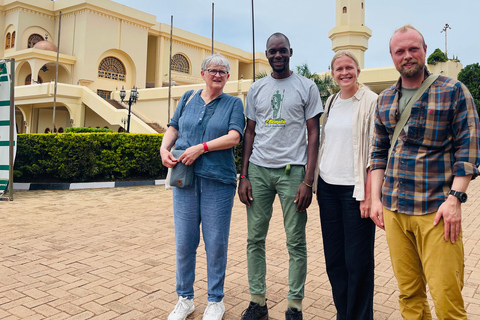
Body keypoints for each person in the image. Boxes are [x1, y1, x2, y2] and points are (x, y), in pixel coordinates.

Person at [370, 25, 479, 319]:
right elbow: (378, 152)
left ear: (425, 50)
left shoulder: (453, 91)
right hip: (394, 209)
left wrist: (455, 199)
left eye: (413, 48)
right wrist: (376, 199)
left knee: (446, 298)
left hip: (436, 211)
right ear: (392, 56)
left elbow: (468, 151)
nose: (407, 56)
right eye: (400, 51)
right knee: (409, 294)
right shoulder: (384, 99)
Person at [238, 32, 323, 320]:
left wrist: (307, 181)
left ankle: (294, 306)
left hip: (293, 172)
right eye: (272, 51)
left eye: (282, 51)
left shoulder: (306, 86)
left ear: (290, 52)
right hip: (259, 171)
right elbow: (250, 131)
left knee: (296, 241)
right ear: (266, 54)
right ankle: (257, 302)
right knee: (254, 239)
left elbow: (314, 134)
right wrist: (244, 174)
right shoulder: (256, 89)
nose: (277, 56)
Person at [160, 53, 245, 320]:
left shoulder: (233, 103)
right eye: (212, 70)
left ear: (228, 77)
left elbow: (234, 137)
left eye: (223, 71)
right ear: (202, 73)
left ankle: (215, 300)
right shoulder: (187, 99)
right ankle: (184, 298)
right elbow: (173, 128)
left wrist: (202, 147)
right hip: (185, 180)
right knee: (185, 242)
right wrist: (163, 148)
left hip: (218, 182)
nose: (217, 75)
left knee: (215, 242)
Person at [313, 50, 377, 319]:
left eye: (349, 68)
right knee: (335, 260)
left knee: (358, 262)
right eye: (339, 69)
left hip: (356, 191)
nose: (344, 73)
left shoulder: (371, 101)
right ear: (332, 74)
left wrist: (371, 195)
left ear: (358, 71)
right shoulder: (330, 101)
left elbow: (376, 150)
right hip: (328, 188)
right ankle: (344, 313)